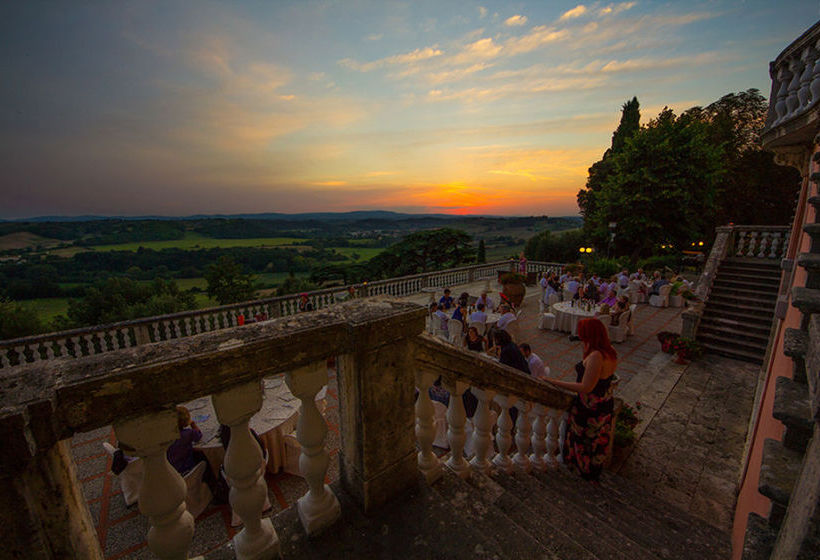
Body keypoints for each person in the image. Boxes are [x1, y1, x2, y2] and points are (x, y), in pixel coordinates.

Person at [542, 318, 617, 484]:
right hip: (604, 403)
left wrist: (554, 382)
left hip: (591, 408)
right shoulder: (609, 351)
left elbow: (585, 387)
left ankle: (583, 474)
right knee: (595, 442)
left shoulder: (596, 356)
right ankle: (589, 473)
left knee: (585, 442)